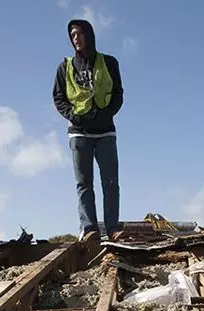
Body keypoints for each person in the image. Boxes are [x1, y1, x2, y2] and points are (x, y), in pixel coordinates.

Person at [53, 19, 124, 242]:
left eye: (80, 34)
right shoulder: (64, 67)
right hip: (79, 133)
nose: (76, 38)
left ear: (90, 35)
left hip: (105, 131)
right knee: (84, 183)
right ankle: (89, 228)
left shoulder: (109, 62)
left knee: (110, 182)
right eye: (72, 35)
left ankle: (112, 227)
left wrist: (105, 114)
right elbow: (59, 97)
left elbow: (118, 94)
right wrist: (74, 116)